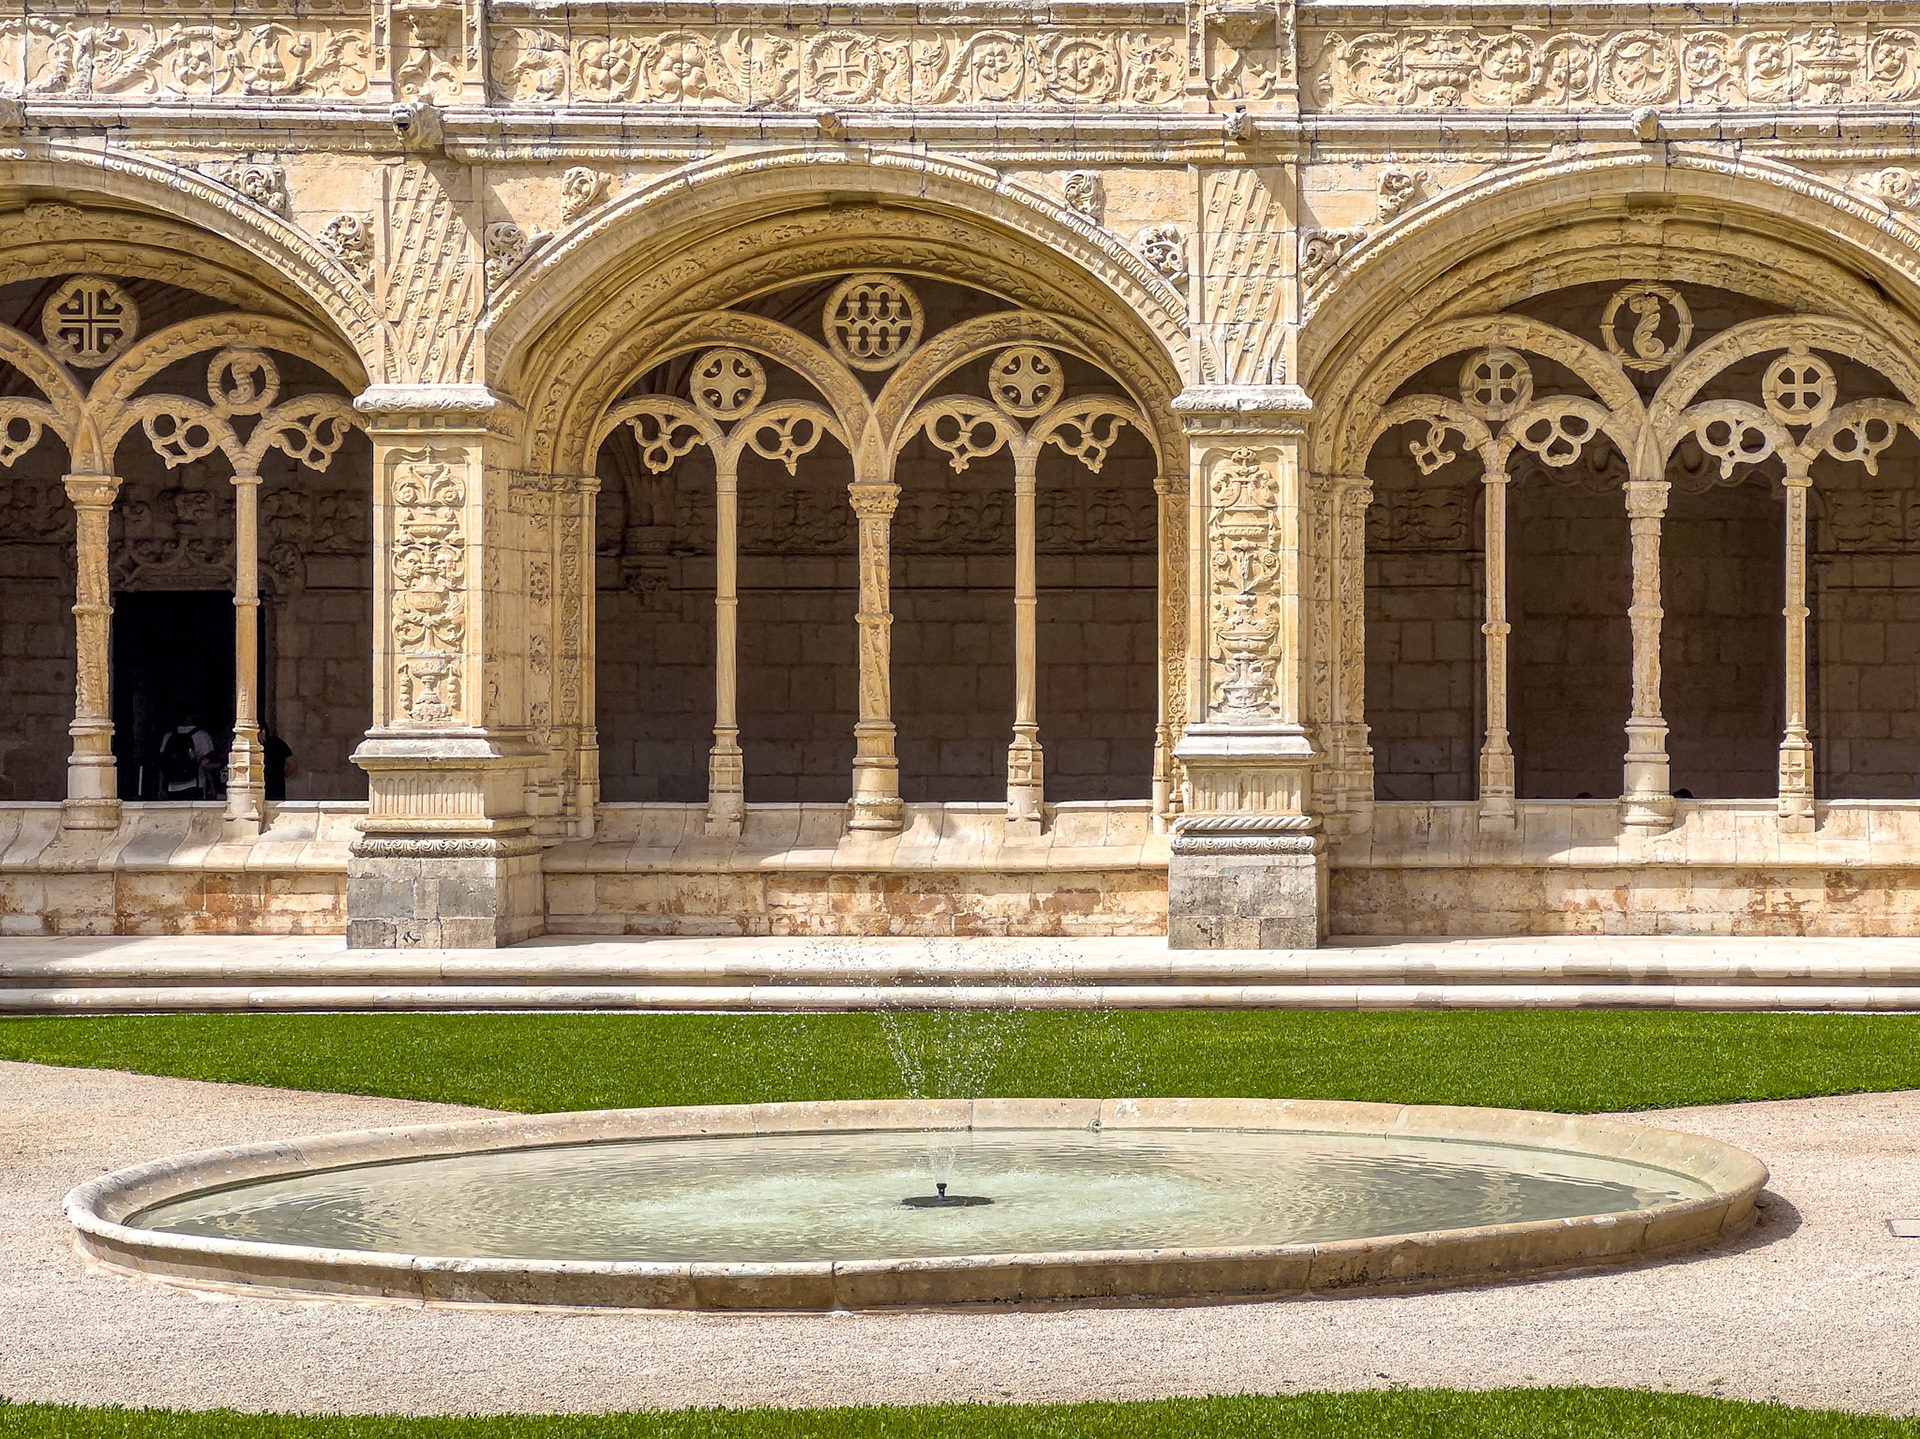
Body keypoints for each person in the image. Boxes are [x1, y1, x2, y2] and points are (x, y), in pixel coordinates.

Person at [158, 717, 216, 800]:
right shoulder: (202, 735)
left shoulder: (168, 735)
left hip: (172, 785)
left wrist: (161, 788)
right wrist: (212, 787)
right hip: (196, 784)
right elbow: (206, 764)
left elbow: (162, 763)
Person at [262, 728, 296, 803]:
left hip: (275, 787)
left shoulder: (276, 743)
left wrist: (279, 777)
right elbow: (292, 765)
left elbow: (291, 764)